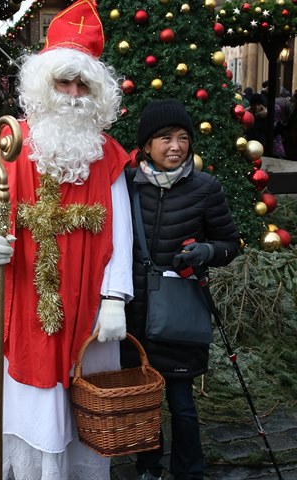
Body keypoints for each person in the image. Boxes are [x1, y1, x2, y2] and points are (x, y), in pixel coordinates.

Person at [0, 0, 133, 478]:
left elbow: (122, 232)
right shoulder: (6, 145)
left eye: (83, 85)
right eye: (64, 82)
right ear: (43, 83)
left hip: (90, 313)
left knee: (87, 407)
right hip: (27, 302)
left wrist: (115, 297)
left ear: (97, 92)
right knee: (36, 410)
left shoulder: (109, 157)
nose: (73, 93)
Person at [122, 99, 240, 480]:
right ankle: (147, 466)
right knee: (142, 398)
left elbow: (230, 243)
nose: (176, 146)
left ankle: (189, 470)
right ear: (146, 144)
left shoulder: (205, 188)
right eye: (165, 138)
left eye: (183, 138)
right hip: (133, 309)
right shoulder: (125, 186)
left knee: (181, 399)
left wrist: (207, 251)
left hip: (177, 310)